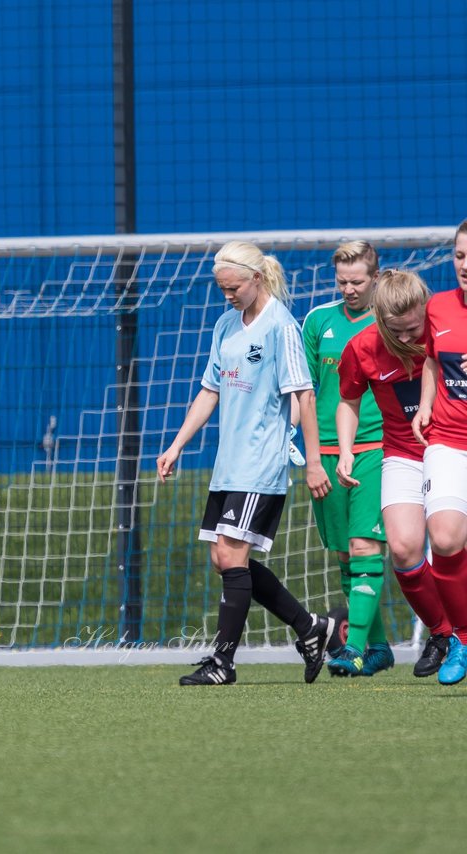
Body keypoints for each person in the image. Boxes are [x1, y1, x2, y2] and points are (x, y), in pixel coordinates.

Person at [157, 240, 335, 686]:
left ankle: (223, 663)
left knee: (232, 553)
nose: (228, 295)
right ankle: (310, 628)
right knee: (224, 559)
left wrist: (313, 462)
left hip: (262, 462)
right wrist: (177, 444)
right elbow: (210, 390)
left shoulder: (282, 327)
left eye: (233, 287)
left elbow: (305, 396)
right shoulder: (225, 326)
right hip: (229, 463)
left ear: (257, 279)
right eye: (222, 289)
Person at [336, 269, 453, 678]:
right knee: (403, 548)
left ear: (426, 309)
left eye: (412, 329)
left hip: (453, 447)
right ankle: (443, 634)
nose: (405, 340)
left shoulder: (448, 331)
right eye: (394, 331)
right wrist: (346, 450)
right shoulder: (362, 347)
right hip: (402, 452)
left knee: (448, 542)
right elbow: (348, 401)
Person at [301, 241, 393, 677]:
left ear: (376, 277)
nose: (349, 289)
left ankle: (353, 648)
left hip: (378, 446)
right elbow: (304, 393)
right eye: (342, 282)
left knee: (365, 546)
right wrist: (312, 457)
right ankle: (378, 647)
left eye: (357, 281)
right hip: (326, 454)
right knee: (344, 554)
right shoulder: (318, 321)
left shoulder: (392, 320)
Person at [411, 219, 467, 683]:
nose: (465, 265)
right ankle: (462, 640)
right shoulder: (438, 307)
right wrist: (426, 405)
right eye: (460, 255)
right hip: (448, 439)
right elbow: (431, 358)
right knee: (445, 539)